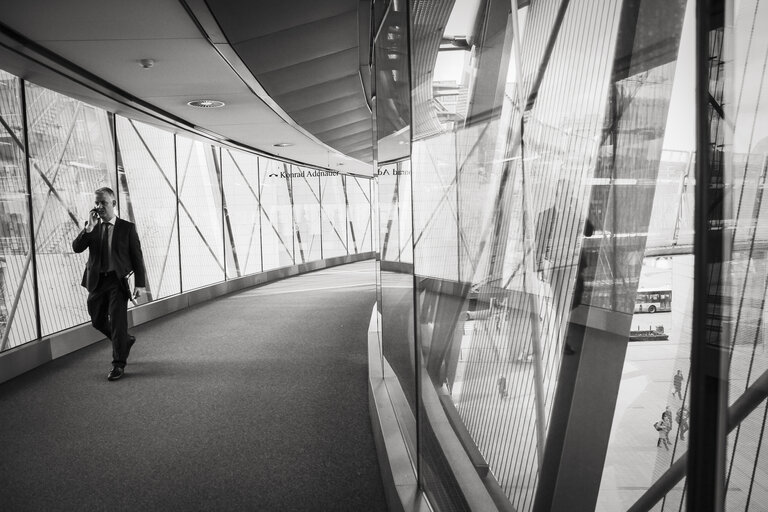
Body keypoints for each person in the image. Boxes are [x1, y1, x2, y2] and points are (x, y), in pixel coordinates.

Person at [72, 187, 147, 381]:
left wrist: (140, 284)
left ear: (113, 204)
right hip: (96, 280)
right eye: (96, 203)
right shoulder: (92, 226)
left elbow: (137, 257)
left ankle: (118, 364)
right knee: (97, 320)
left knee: (118, 322)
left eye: (103, 202)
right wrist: (87, 229)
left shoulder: (127, 228)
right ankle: (125, 340)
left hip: (117, 281)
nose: (98, 207)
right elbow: (77, 248)